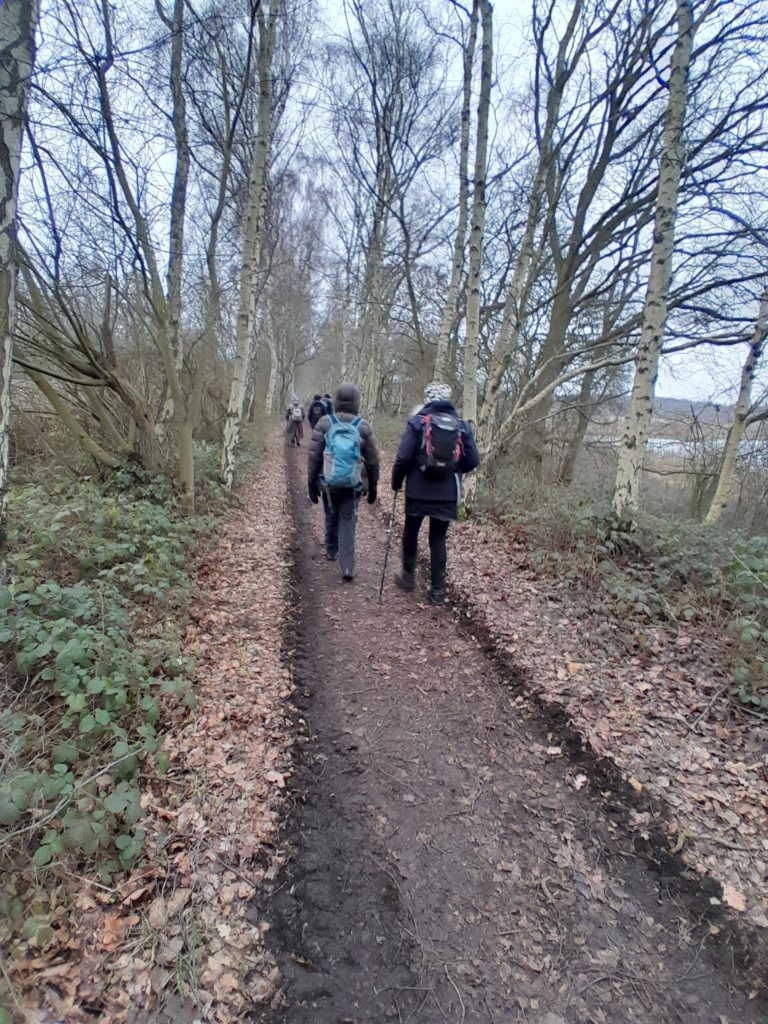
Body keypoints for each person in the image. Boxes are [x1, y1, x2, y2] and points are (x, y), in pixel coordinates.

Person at [391, 381, 480, 604]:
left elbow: (403, 457)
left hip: (418, 490)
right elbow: (473, 460)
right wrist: (454, 470)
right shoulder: (461, 425)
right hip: (447, 493)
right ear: (448, 399)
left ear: (428, 398)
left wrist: (396, 481)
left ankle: (408, 577)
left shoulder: (418, 422)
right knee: (438, 538)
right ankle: (437, 592)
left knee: (411, 531)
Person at [307, 383, 380, 581]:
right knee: (348, 520)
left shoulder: (324, 423)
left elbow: (314, 456)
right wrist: (373, 486)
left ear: (337, 401)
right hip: (353, 484)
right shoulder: (363, 426)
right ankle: (347, 566)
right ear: (356, 402)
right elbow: (373, 460)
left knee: (330, 513)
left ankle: (331, 550)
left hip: (328, 483)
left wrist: (311, 483)